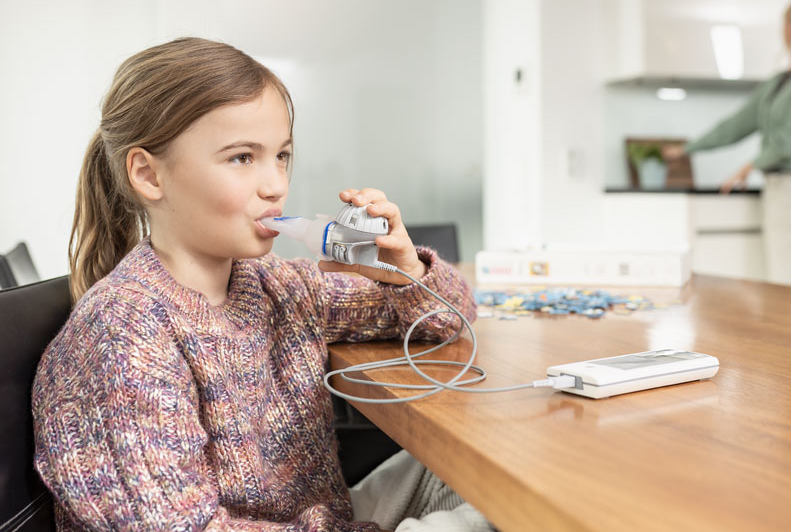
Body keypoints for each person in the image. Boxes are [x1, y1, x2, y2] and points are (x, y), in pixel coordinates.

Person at [32, 37, 492, 532]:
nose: (275, 185)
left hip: (322, 521)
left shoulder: (278, 286)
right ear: (148, 174)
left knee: (491, 468)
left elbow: (448, 321)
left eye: (282, 156)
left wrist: (404, 272)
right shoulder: (124, 331)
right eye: (242, 158)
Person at [664, 0, 791, 287]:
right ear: (784, 27)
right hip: (779, 189)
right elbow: (737, 125)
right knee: (780, 284)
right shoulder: (779, 81)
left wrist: (750, 166)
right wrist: (687, 149)